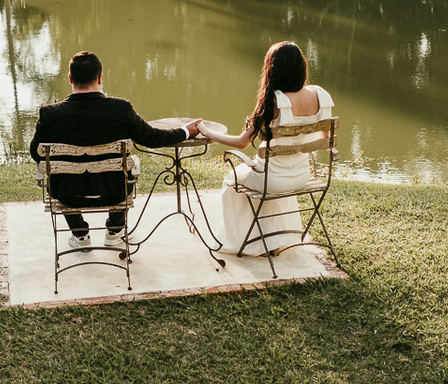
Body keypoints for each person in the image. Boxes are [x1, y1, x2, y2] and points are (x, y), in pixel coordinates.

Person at [30, 51, 201, 250]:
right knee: (129, 167)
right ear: (100, 77)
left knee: (61, 175)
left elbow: (36, 153)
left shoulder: (49, 114)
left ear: (70, 79)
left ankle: (80, 234)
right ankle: (115, 230)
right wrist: (184, 131)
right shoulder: (121, 109)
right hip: (113, 191)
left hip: (68, 194)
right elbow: (152, 138)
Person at [198, 41, 333, 256]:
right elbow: (323, 137)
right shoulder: (320, 95)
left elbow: (242, 142)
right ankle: (275, 241)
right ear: (301, 68)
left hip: (271, 179)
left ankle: (250, 244)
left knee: (232, 180)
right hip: (301, 175)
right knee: (270, 182)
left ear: (273, 70)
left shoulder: (274, 102)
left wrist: (208, 133)